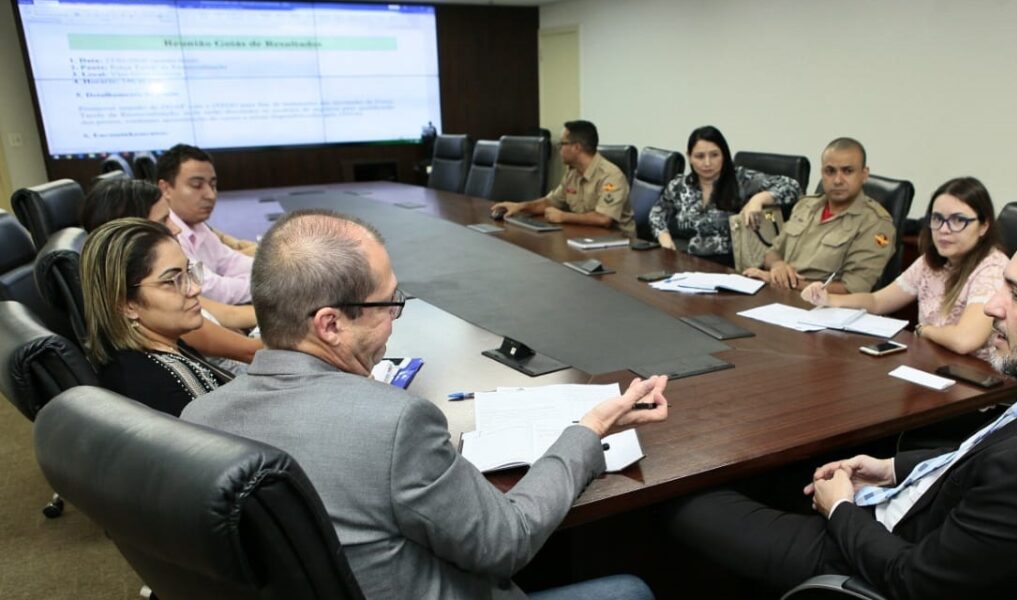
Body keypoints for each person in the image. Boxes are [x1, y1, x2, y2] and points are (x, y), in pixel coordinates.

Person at [669, 207, 1017, 599]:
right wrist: (890, 468)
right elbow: (989, 451)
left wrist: (842, 509)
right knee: (753, 469)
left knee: (688, 502)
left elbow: (917, 583)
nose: (993, 306)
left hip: (870, 558)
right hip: (914, 507)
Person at [181, 209, 668, 600]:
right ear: (330, 325)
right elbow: (507, 540)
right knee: (633, 589)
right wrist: (591, 426)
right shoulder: (393, 423)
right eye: (388, 304)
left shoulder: (197, 420)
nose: (393, 320)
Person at [802, 176, 1007, 358]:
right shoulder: (932, 262)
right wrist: (829, 299)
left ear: (984, 225)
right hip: (934, 362)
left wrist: (924, 330)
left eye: (958, 220)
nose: (944, 230)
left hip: (978, 380)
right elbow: (877, 301)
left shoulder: (992, 270)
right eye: (937, 219)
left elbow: (965, 341)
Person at [80, 177, 262, 366]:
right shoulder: (169, 314)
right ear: (130, 235)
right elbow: (251, 351)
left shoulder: (171, 290)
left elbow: (231, 314)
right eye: (163, 221)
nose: (176, 229)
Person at [81, 218, 232, 416]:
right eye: (172, 281)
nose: (195, 288)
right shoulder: (160, 388)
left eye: (188, 272)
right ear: (126, 304)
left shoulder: (163, 344)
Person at [743, 138, 894, 293]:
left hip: (826, 309)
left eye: (848, 171)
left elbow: (853, 289)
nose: (837, 180)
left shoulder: (875, 223)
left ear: (864, 174)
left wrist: (788, 283)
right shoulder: (805, 206)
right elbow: (772, 252)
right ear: (822, 173)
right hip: (781, 297)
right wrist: (777, 266)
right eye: (830, 171)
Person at [648, 125, 801, 267]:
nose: (707, 163)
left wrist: (758, 199)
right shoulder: (680, 185)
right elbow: (657, 213)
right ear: (689, 157)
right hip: (688, 263)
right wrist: (665, 239)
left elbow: (792, 186)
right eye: (700, 156)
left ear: (724, 155)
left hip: (733, 267)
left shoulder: (741, 179)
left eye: (714, 155)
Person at [491, 120, 635, 235]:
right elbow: (551, 202)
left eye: (562, 144)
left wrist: (564, 217)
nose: (559, 149)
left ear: (576, 147)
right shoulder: (573, 172)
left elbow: (604, 219)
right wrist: (520, 207)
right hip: (585, 237)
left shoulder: (610, 175)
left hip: (618, 244)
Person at [156, 143, 256, 304]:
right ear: (165, 188)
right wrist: (271, 284)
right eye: (197, 185)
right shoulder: (166, 233)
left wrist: (277, 271)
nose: (210, 195)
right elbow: (211, 289)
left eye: (213, 185)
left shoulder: (196, 224)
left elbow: (229, 262)